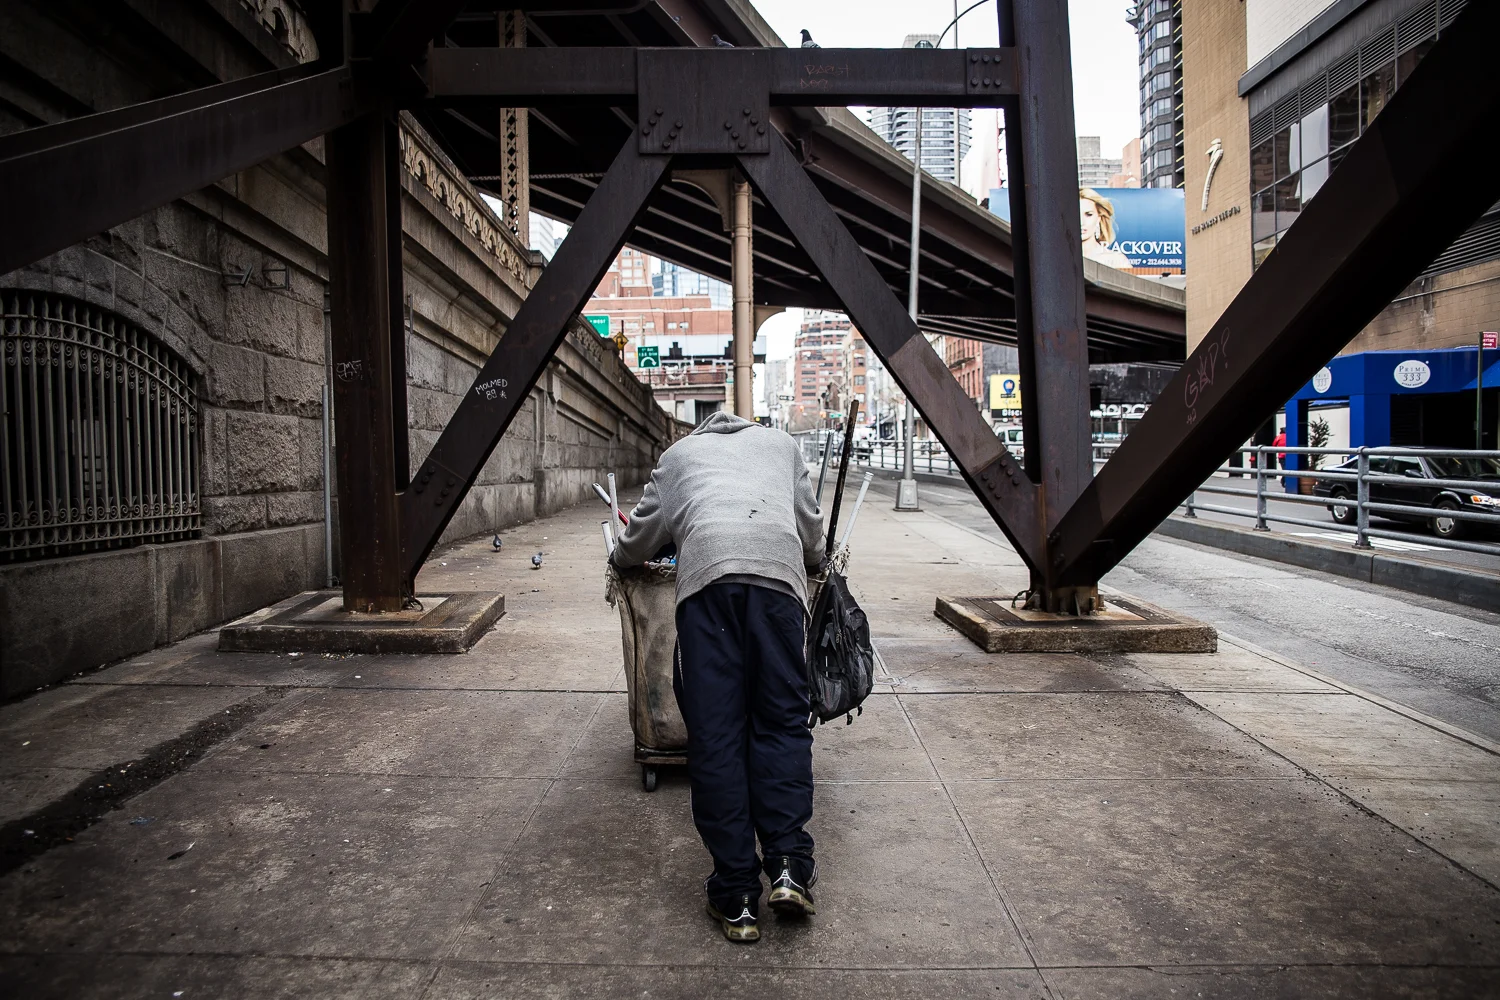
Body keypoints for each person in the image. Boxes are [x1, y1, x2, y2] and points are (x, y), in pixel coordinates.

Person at [610, 411, 826, 944]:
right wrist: (815, 560)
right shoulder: (780, 445)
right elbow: (810, 529)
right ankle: (788, 868)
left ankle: (735, 897)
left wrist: (619, 557)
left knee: (717, 736)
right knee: (780, 723)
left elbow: (639, 539)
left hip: (706, 583)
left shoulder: (677, 457)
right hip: (778, 581)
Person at [1079, 187, 1135, 269]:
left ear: (1099, 218)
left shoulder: (1116, 260)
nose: (1081, 222)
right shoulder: (1058, 259)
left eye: (1089, 214)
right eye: (1076, 215)